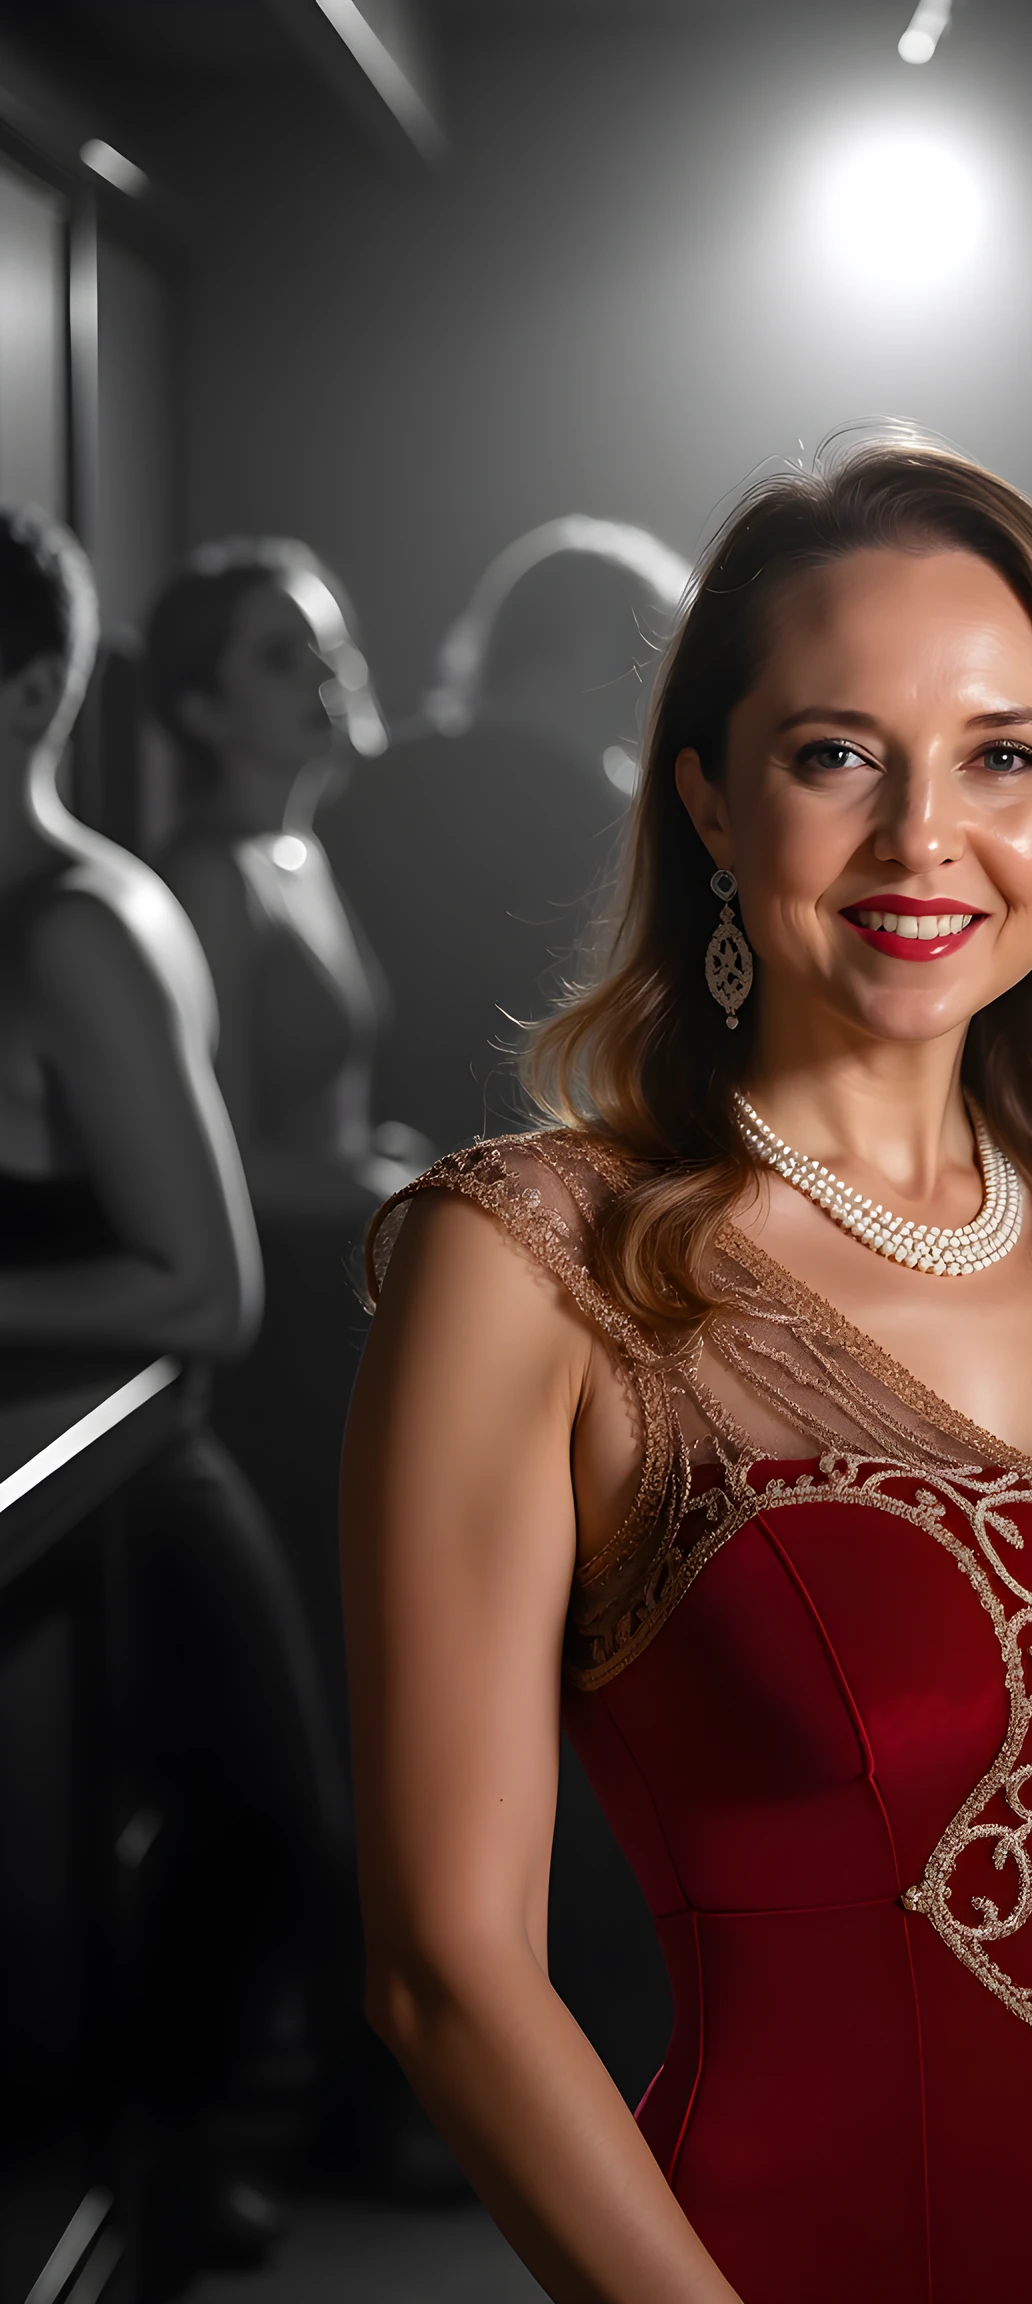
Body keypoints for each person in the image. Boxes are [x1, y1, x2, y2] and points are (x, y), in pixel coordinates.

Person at [341, 441, 1032, 2303]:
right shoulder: (527, 1267)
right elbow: (449, 1971)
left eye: (1002, 753)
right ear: (705, 794)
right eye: (837, 752)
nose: (926, 835)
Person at [0, 507, 347, 2272]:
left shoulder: (76, 924)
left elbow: (207, 1286)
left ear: (35, 691)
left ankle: (174, 2160)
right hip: (72, 1487)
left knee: (264, 1817)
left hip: (146, 1474)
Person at [144, 540, 424, 1757]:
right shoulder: (206, 876)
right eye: (280, 654)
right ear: (202, 708)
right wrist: (392, 1183)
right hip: (278, 1341)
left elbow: (323, 1113)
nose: (326, 671)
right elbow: (225, 1164)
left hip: (347, 1304)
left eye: (328, 641)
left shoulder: (303, 853)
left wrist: (385, 1156)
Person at [321, 518, 690, 1151]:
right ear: (604, 652)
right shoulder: (623, 828)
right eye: (660, 656)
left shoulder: (366, 785)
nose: (667, 688)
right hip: (545, 1178)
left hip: (374, 1169)